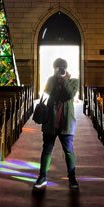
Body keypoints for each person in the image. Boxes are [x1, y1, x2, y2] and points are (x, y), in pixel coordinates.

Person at [33, 58, 79, 191]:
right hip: (50, 122)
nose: (60, 70)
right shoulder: (50, 80)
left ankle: (72, 178)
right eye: (57, 68)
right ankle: (42, 177)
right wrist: (55, 79)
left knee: (69, 151)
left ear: (66, 68)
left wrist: (64, 79)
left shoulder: (73, 81)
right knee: (46, 150)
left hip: (66, 123)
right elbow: (47, 93)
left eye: (62, 68)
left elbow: (70, 94)